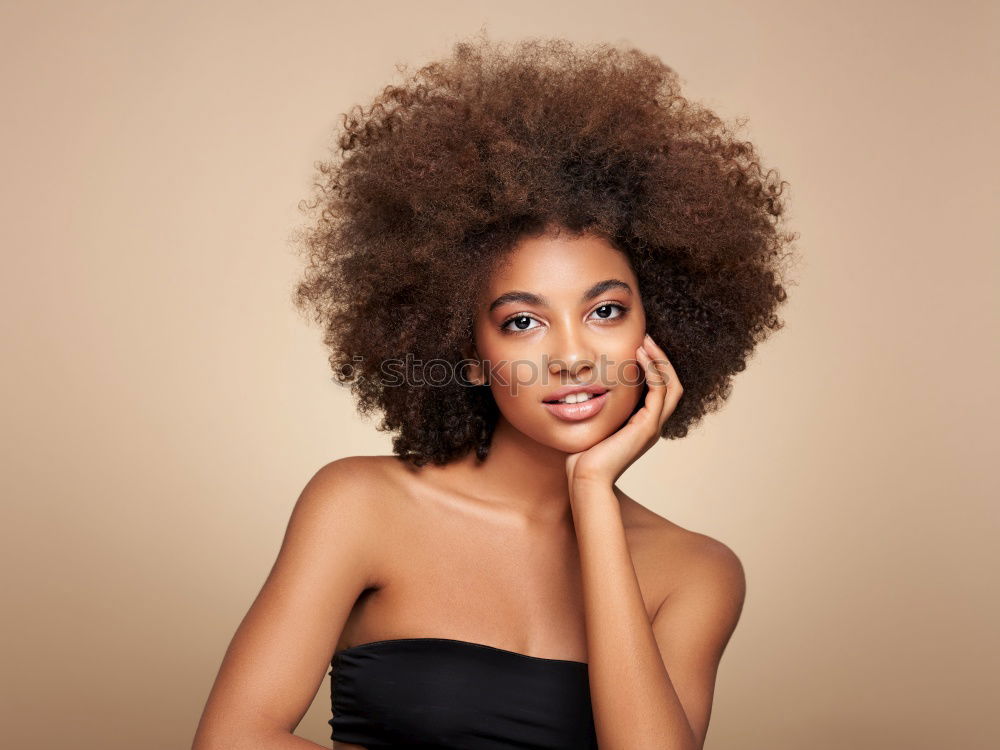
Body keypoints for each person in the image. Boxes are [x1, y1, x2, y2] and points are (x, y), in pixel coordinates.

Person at [192, 31, 796, 750]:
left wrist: (593, 496)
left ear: (656, 324)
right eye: (522, 321)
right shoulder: (360, 506)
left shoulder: (696, 573)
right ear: (470, 354)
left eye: (605, 311)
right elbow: (232, 739)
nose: (572, 356)